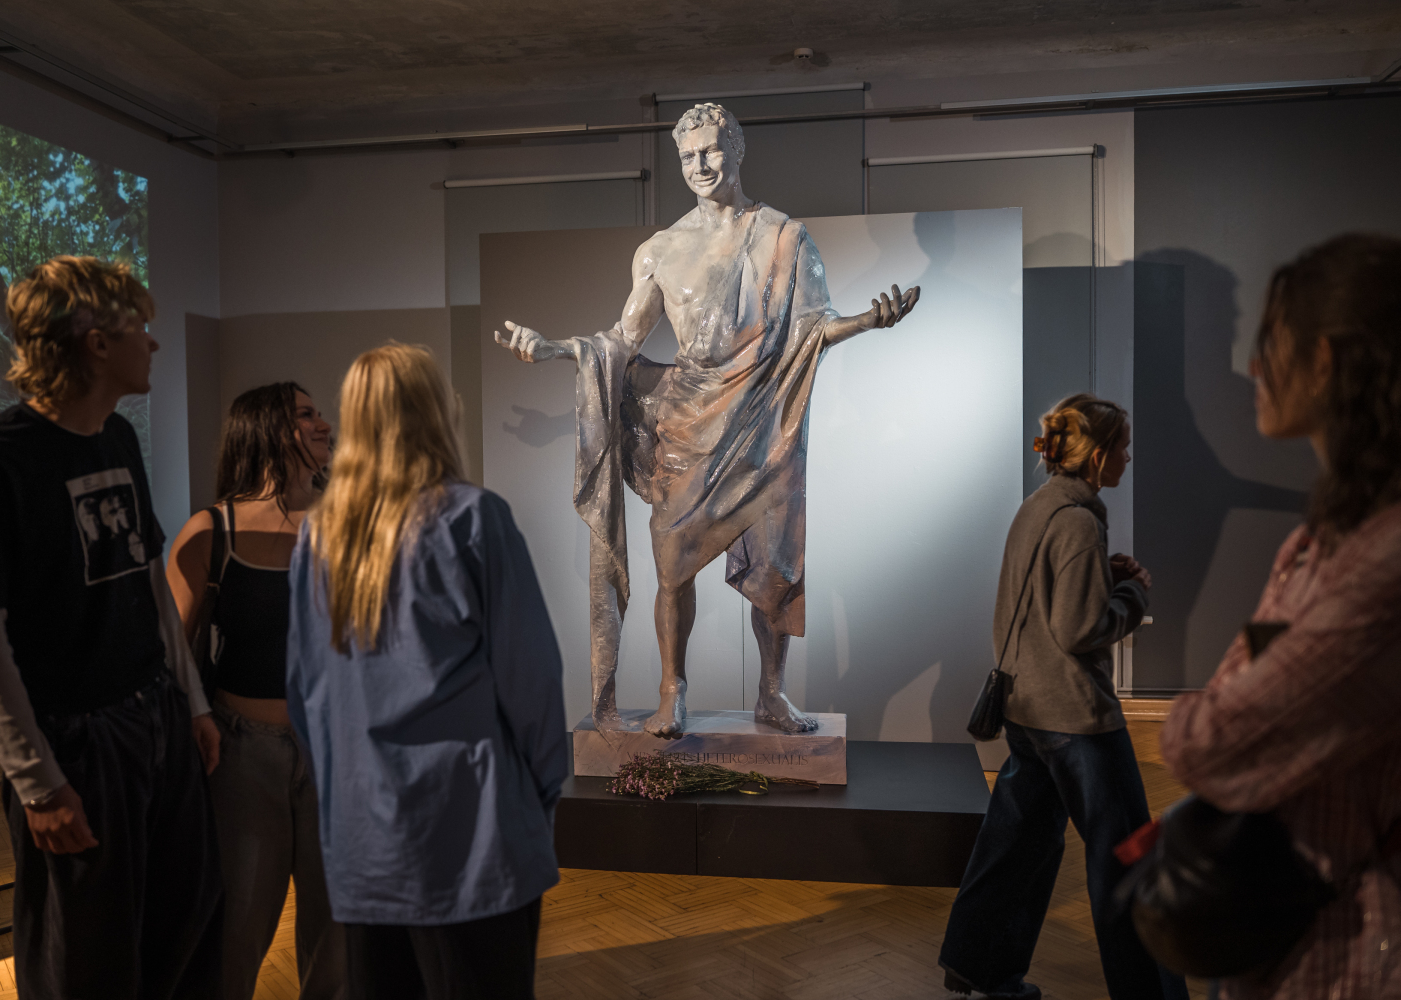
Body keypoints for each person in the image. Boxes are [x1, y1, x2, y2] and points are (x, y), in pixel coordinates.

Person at [493, 102, 919, 738]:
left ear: (736, 150)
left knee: (777, 569)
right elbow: (622, 341)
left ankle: (771, 694)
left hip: (765, 424)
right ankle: (673, 690)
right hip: (688, 424)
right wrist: (554, 348)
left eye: (711, 150)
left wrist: (867, 321)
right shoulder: (660, 251)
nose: (699, 164)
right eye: (688, 156)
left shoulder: (784, 237)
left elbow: (812, 328)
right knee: (672, 567)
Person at [0, 255, 223, 999]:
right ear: (96, 342)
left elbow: (149, 581)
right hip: (78, 744)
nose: (152, 343)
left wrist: (190, 703)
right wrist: (38, 784)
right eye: (140, 328)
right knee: (86, 959)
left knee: (185, 927)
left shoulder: (118, 437)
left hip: (155, 716)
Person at [1160, 234, 1401, 1000]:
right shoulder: (1316, 544)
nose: (1254, 368)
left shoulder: (1381, 563)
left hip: (1350, 954)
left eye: (1268, 344)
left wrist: (1226, 698)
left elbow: (1207, 740)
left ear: (1323, 362)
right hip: (1291, 937)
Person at [286, 343, 567, 1000]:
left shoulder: (319, 538)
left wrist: (344, 795)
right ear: (437, 412)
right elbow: (532, 682)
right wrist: (543, 793)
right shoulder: (472, 518)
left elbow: (306, 694)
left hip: (366, 840)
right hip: (472, 834)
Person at [939, 393, 1188, 1000]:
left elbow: (1043, 602)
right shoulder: (1078, 522)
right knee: (1126, 859)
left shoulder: (1037, 508)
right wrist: (1132, 597)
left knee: (1014, 848)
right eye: (1122, 447)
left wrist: (1105, 576)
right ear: (1097, 456)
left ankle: (978, 967)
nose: (1128, 458)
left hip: (1026, 709)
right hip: (1076, 719)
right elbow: (1078, 629)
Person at [166, 382, 345, 1000]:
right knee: (235, 935)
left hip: (334, 753)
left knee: (338, 942)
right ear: (266, 429)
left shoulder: (346, 524)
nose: (323, 424)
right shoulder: (211, 530)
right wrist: (194, 721)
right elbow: (170, 655)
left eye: (319, 413)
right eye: (306, 414)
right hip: (243, 756)